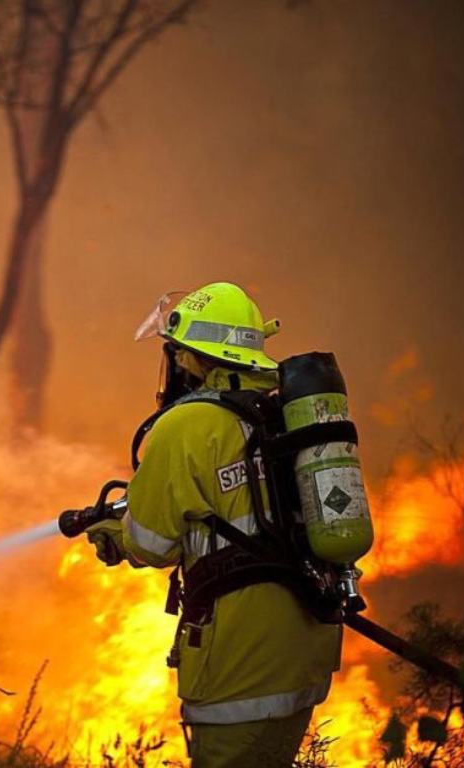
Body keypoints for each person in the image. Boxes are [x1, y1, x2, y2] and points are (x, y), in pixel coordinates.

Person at [85, 282, 341, 767]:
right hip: (305, 652)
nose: (176, 365)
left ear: (194, 357)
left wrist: (115, 535)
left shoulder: (184, 426)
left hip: (237, 663)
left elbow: (152, 544)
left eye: (178, 353)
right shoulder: (286, 408)